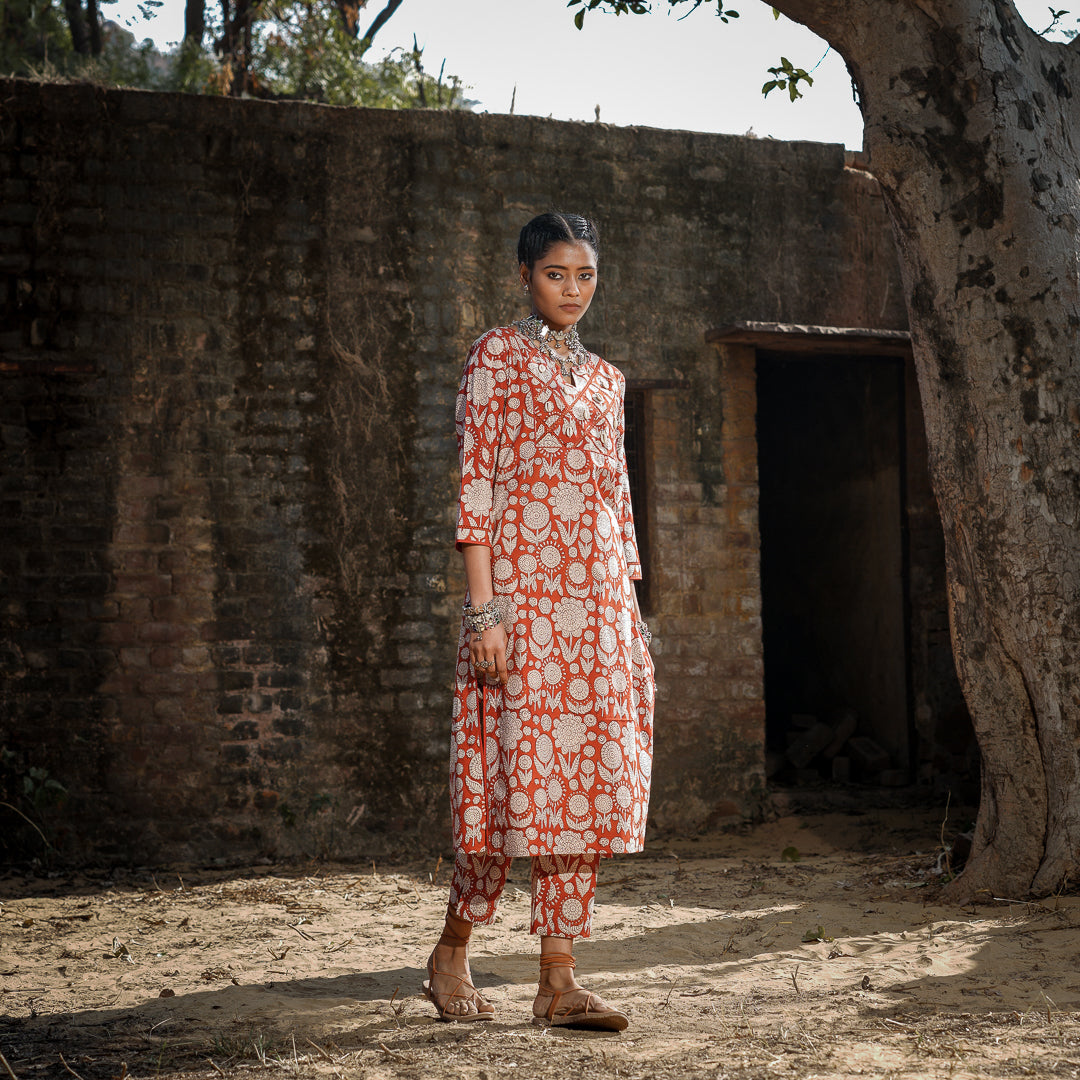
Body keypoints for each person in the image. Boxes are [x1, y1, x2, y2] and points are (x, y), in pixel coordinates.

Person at [422, 212, 655, 1031]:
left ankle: (559, 979)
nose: (572, 290)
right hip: (519, 608)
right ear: (526, 274)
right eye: (557, 273)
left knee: (581, 788)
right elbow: (476, 491)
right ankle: (453, 949)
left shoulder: (609, 381)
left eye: (585, 276)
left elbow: (618, 505)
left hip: (594, 613)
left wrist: (630, 616)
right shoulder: (496, 357)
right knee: (503, 788)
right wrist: (484, 611)